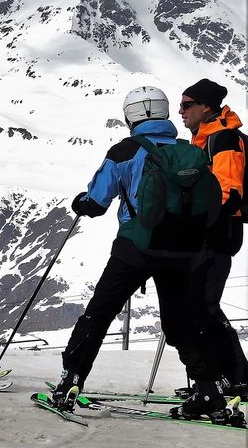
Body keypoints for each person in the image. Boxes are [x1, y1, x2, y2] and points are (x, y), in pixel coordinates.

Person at [56, 86, 228, 419]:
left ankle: (70, 384)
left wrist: (82, 202)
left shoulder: (126, 150)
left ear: (131, 116)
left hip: (135, 248)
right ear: (163, 113)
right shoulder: (187, 150)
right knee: (180, 322)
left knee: (99, 314)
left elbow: (97, 202)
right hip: (181, 251)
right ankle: (208, 392)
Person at [179, 78, 247, 396]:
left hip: (219, 232)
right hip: (210, 232)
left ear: (206, 106)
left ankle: (235, 377)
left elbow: (227, 191)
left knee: (203, 305)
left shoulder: (222, 139)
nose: (181, 111)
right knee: (199, 305)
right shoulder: (205, 139)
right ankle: (227, 375)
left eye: (186, 104)